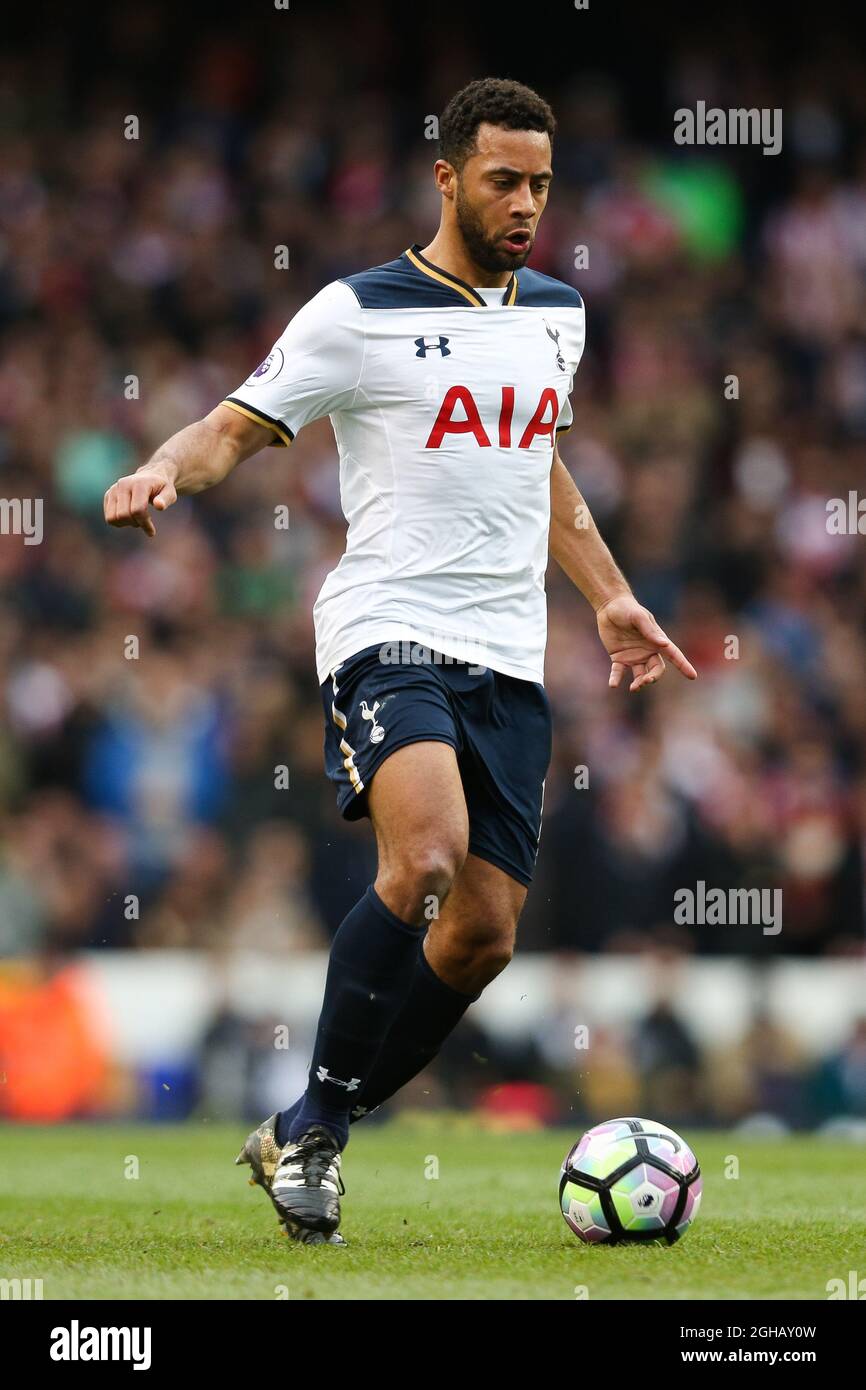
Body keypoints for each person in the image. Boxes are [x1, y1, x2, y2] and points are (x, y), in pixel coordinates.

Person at [103, 77, 696, 1245]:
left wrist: (613, 595)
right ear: (445, 178)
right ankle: (315, 1137)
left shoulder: (557, 314)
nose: (525, 203)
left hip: (506, 656)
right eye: (502, 181)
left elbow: (541, 472)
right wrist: (164, 469)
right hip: (387, 628)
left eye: (538, 182)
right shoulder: (354, 312)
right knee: (423, 855)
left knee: (481, 936)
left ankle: (310, 1117)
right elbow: (230, 425)